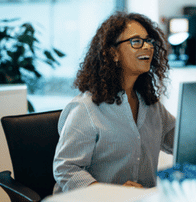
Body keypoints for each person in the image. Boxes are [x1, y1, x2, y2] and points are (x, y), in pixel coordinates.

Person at [53, 12, 176, 193]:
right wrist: (110, 194)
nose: (148, 47)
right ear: (113, 53)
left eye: (149, 41)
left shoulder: (152, 106)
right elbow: (65, 169)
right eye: (136, 41)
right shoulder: (86, 108)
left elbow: (182, 141)